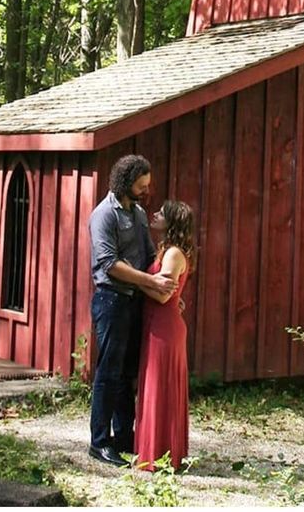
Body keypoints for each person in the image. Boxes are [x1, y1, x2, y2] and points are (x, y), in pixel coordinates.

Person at [88, 155, 176, 467]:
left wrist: (171, 279)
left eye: (147, 184)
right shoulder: (104, 215)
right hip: (111, 300)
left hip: (135, 302)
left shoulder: (137, 212)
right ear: (126, 181)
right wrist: (149, 280)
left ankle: (124, 437)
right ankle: (99, 443)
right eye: (142, 183)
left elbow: (149, 254)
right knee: (108, 373)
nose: (146, 189)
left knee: (126, 375)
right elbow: (109, 264)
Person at [135, 199, 195, 471]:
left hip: (165, 327)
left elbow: (162, 295)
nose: (155, 214)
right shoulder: (167, 250)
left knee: (161, 387)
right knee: (153, 386)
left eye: (161, 212)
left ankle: (163, 455)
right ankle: (155, 450)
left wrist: (135, 280)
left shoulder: (173, 253)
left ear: (171, 221)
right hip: (158, 324)